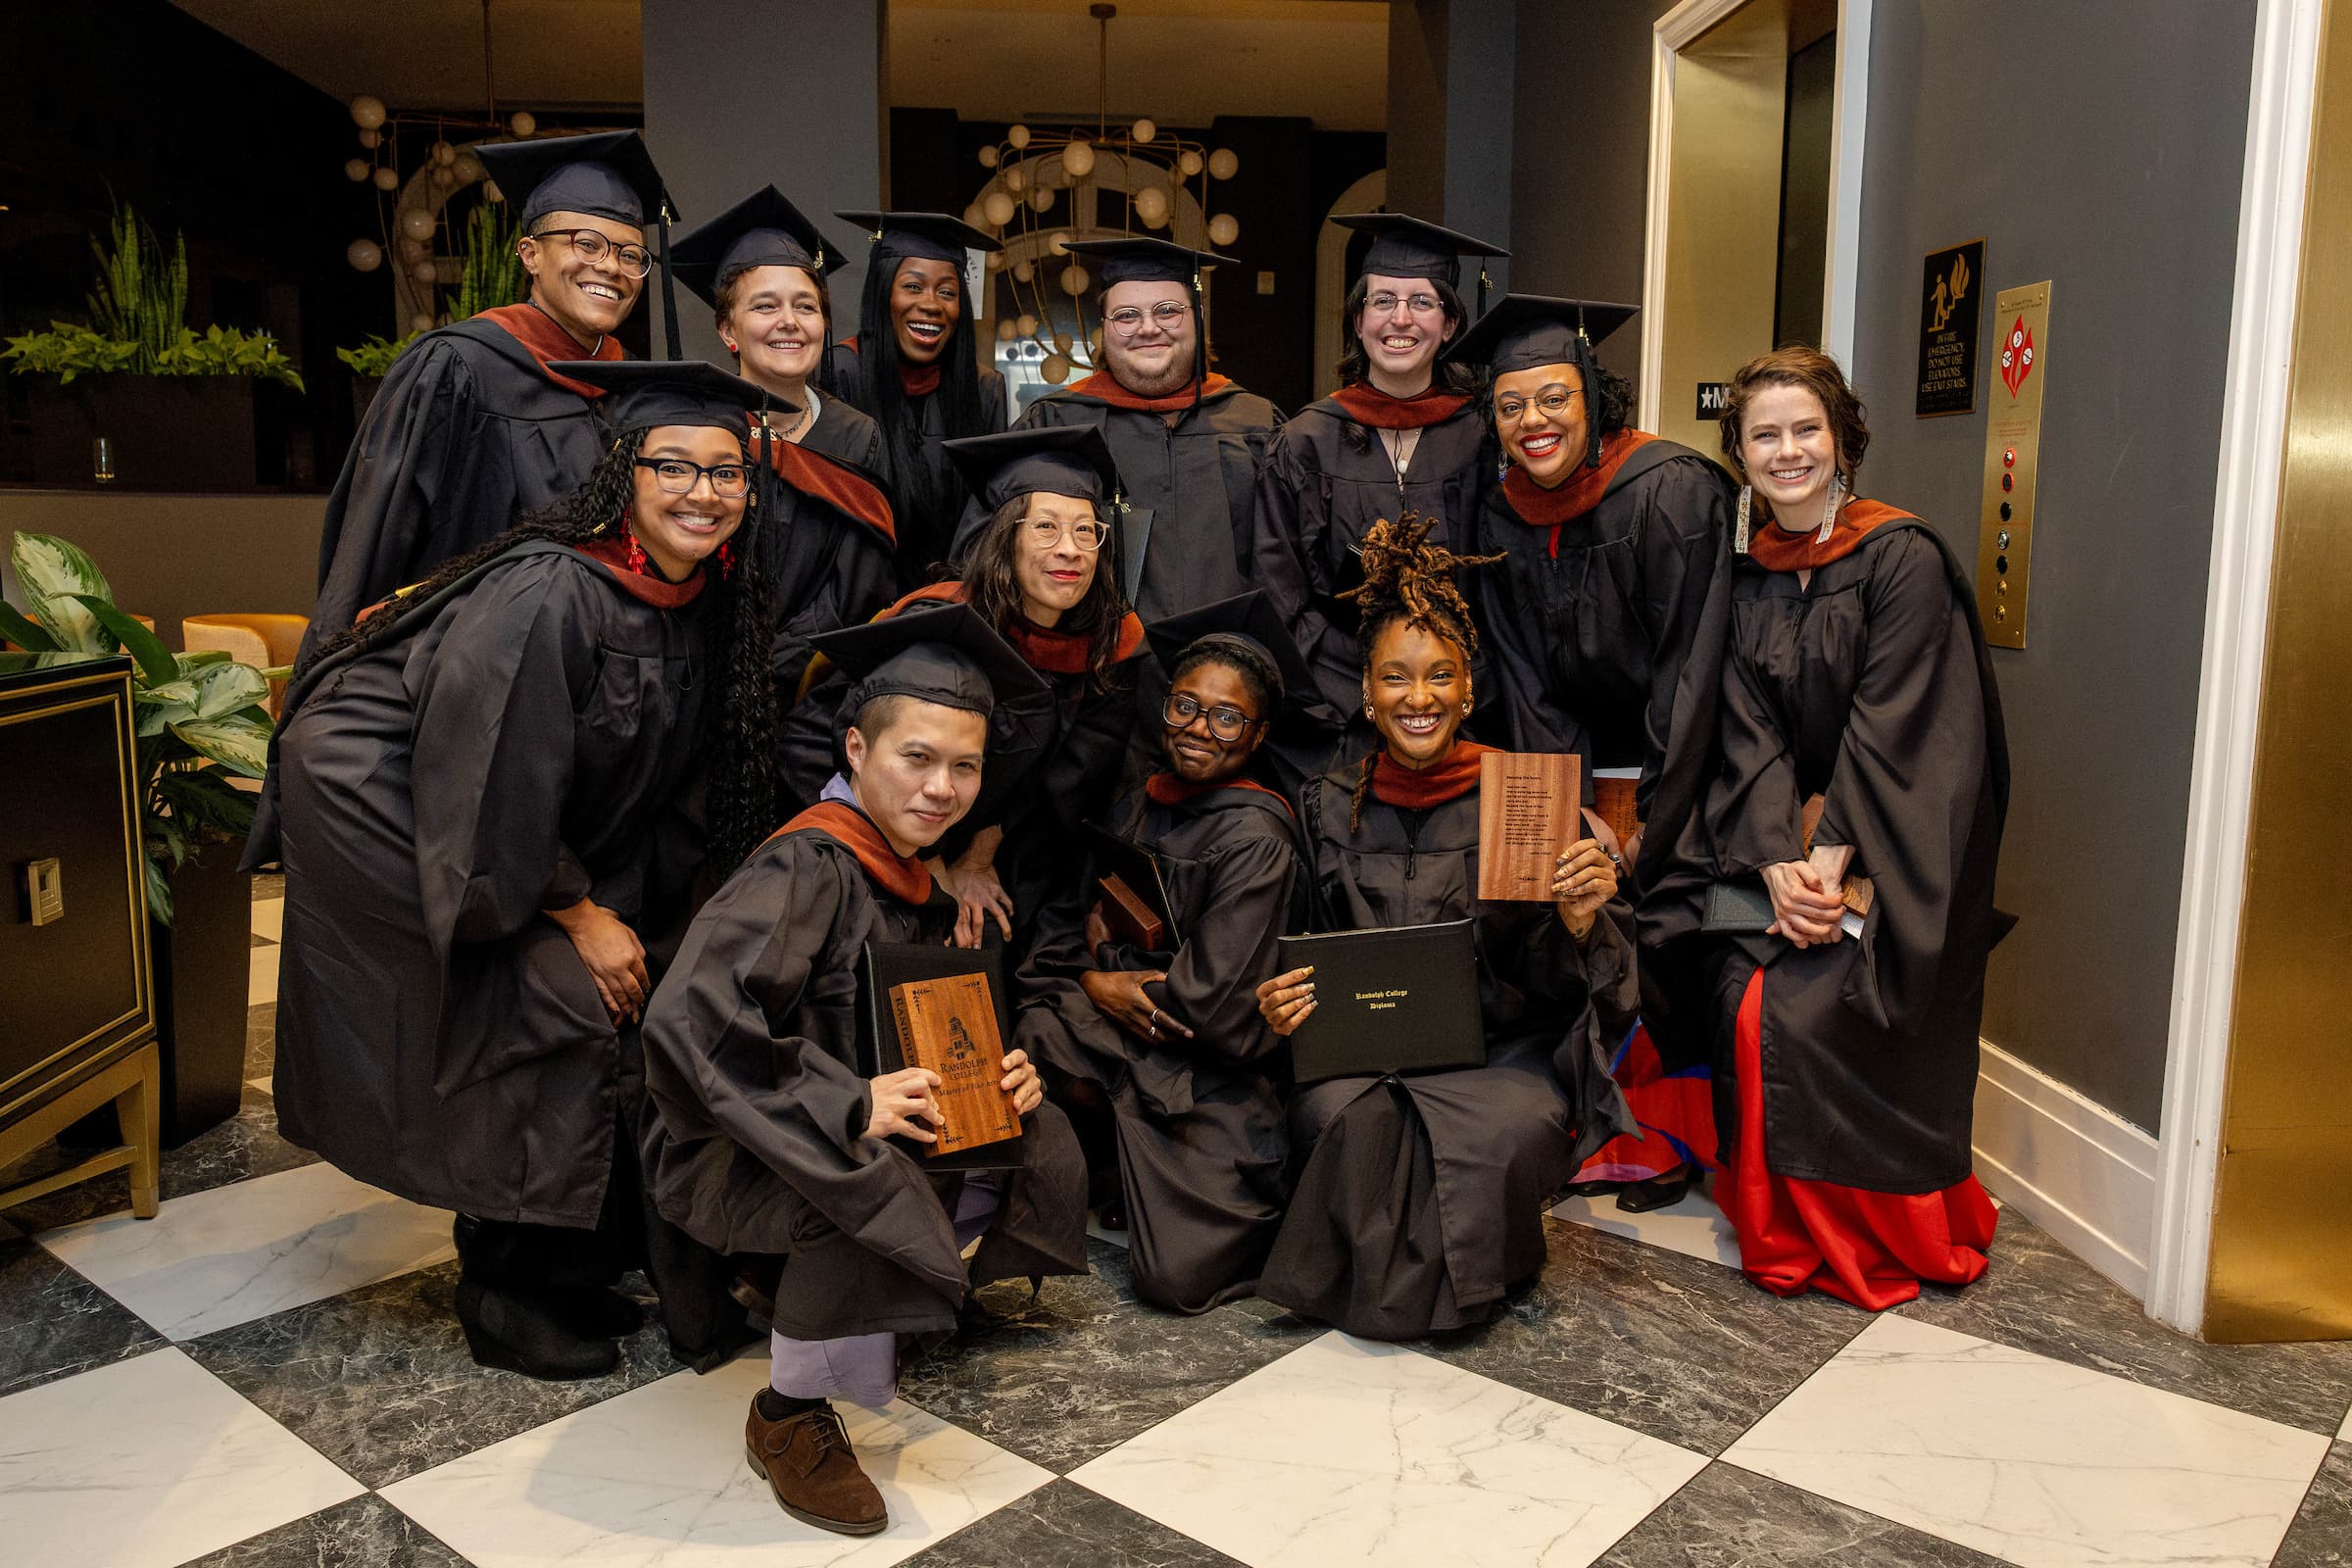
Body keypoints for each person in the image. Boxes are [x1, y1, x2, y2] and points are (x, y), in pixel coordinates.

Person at [250, 360, 782, 1379]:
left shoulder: (699, 593)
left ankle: (577, 1256)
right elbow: (487, 771)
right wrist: (577, 910)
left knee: (644, 983)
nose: (702, 492)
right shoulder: (551, 593)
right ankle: (503, 1286)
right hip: (389, 814)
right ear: (623, 473)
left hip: (501, 827)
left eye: (727, 473)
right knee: (545, 1004)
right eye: (673, 465)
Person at [639, 604, 1088, 1537]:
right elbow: (690, 1020)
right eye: (915, 758)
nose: (942, 787)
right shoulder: (806, 864)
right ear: (855, 747)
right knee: (860, 1174)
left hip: (811, 1121)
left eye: (965, 766)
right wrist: (848, 1101)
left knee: (1024, 1130)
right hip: (729, 1145)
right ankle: (790, 1416)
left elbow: (908, 1024)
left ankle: (882, 1306)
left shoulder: (911, 868)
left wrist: (993, 1072)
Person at [1251, 515, 1637, 1340]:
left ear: (1469, 689)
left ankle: (1388, 1291)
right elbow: (1302, 950)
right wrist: (1281, 999)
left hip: (1502, 1052)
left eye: (1438, 677)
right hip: (1364, 1052)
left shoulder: (1522, 798)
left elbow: (1580, 989)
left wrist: (1578, 921)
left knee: (1501, 1129)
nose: (1417, 698)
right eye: (1395, 676)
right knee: (1343, 1119)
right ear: (1366, 692)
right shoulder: (1327, 805)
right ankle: (1455, 1284)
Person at [1700, 346, 2009, 1310]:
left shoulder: (1900, 557)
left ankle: (1876, 1228)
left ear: (1843, 440)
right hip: (1787, 843)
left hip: (1893, 844)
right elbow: (1742, 729)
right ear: (1739, 451)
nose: (1787, 450)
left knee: (1811, 1003)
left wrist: (1826, 872)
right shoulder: (1745, 573)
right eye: (1765, 434)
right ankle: (1779, 1226)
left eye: (1806, 430)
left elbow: (1898, 731)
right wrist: (1775, 867)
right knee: (1733, 981)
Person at [1450, 294, 1736, 1210]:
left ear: (1592, 397)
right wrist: (1562, 806)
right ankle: (1591, 1119)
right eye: (1512, 405)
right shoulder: (1501, 515)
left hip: (1673, 759)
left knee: (1663, 927)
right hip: (1568, 763)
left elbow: (1691, 666)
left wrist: (1650, 812)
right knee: (1557, 912)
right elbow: (1521, 672)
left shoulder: (1671, 491)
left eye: (1554, 399)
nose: (1535, 422)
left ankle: (1673, 1137)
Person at [1013, 615, 1305, 1312]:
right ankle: (1114, 1166)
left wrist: (1106, 961)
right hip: (1136, 1045)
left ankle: (1208, 1185)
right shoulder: (1139, 804)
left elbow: (1204, 1004)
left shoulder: (1258, 838)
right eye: (1186, 705)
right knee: (1039, 1027)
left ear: (1258, 736)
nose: (1200, 728)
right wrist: (1092, 980)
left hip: (1211, 1075)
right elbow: (1061, 928)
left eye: (1228, 718)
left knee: (1176, 1281)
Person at [306, 131, 673, 657]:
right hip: (470, 665)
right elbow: (378, 540)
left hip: (602, 672)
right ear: (530, 254)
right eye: (586, 244)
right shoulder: (455, 368)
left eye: (631, 254)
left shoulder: (634, 387)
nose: (611, 267)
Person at [781, 427, 1145, 956]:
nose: (1069, 550)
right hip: (879, 847)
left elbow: (1065, 785)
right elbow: (817, 744)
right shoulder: (938, 625)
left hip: (1012, 853)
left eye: (1086, 531)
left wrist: (977, 854)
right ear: (1005, 536)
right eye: (1045, 527)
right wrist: (922, 862)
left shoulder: (1106, 647)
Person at [1250, 214, 1507, 758]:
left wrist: (1464, 686)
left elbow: (1508, 588)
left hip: (1467, 708)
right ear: (1359, 319)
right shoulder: (1304, 440)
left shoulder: (1485, 437)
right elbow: (1279, 594)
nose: (1401, 318)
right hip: (1337, 714)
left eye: (1422, 301)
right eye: (1383, 300)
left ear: (1450, 323)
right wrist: (1351, 689)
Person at [672, 185, 897, 706]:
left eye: (806, 306)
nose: (789, 322)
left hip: (813, 693)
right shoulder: (698, 431)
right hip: (697, 681)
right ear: (728, 330)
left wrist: (772, 667)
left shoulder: (855, 436)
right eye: (765, 306)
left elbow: (859, 588)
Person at [982, 237, 1281, 621]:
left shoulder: (1257, 424)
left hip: (1228, 664)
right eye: (1126, 315)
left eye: (1168, 311)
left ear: (1198, 317)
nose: (1148, 328)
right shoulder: (1055, 422)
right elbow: (995, 558)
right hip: (1097, 668)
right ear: (1103, 328)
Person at [824, 212, 1009, 588]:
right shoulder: (841, 373)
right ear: (883, 292)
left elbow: (989, 517)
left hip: (956, 598)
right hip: (858, 602)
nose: (931, 304)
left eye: (947, 291)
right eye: (912, 286)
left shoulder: (983, 389)